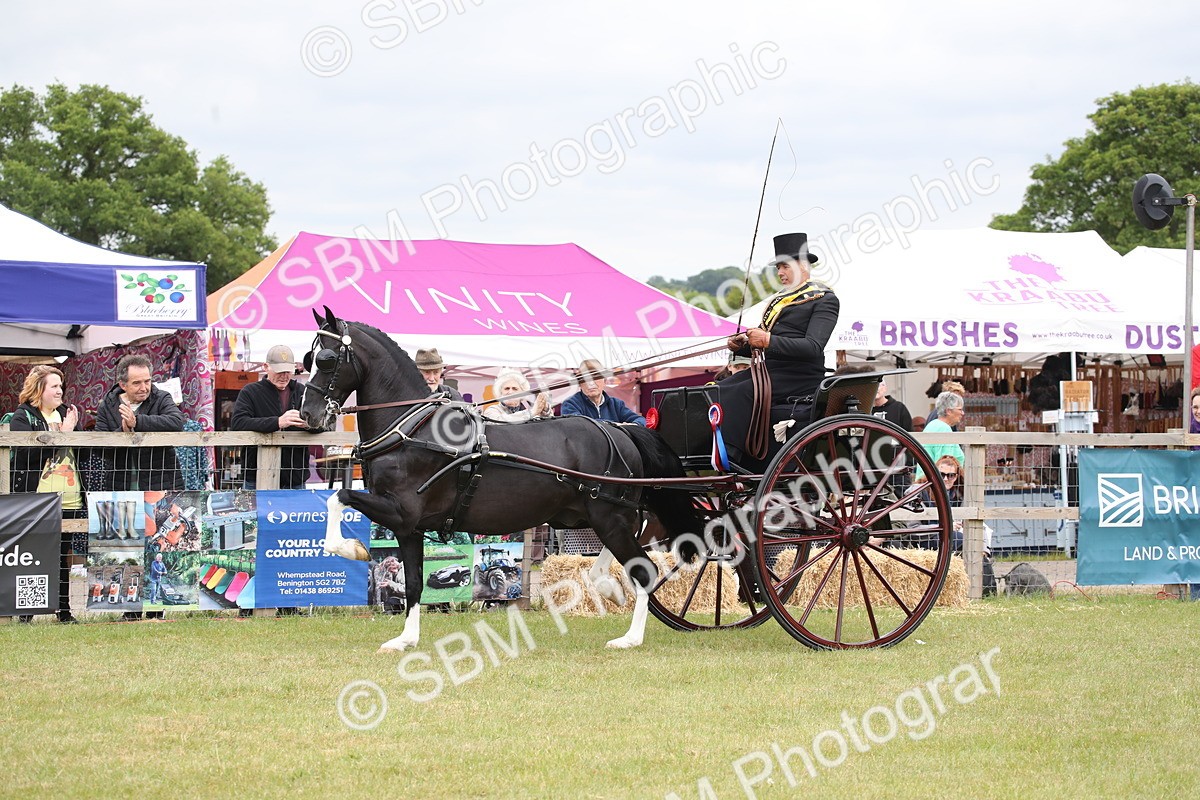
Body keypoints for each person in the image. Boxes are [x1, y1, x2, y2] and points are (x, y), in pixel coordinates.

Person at [720, 232, 840, 464]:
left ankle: (732, 455)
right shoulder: (781, 300)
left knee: (738, 392)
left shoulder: (824, 299)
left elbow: (813, 347)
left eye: (784, 267)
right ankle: (717, 450)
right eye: (778, 268)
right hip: (771, 372)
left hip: (801, 376)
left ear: (803, 265)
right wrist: (742, 346)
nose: (780, 273)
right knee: (720, 387)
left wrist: (767, 340)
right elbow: (765, 343)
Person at [9, 365, 82, 624]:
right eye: (54, 386)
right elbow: (28, 455)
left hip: (70, 497)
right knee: (34, 554)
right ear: (39, 389)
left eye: (61, 386)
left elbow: (80, 452)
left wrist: (72, 433)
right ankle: (26, 611)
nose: (60, 391)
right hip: (38, 499)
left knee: (64, 557)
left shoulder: (67, 414)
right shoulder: (23, 416)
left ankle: (64, 610)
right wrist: (62, 435)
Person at [95, 354, 184, 491]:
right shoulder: (107, 405)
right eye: (137, 383)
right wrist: (123, 433)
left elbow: (177, 422)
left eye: (147, 381)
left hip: (160, 483)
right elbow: (99, 449)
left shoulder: (161, 398)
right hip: (121, 483)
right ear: (123, 385)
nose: (144, 388)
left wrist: (137, 421)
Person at [231, 344, 314, 489]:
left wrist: (310, 424)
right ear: (266, 367)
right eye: (279, 371)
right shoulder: (250, 392)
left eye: (288, 371)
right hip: (257, 475)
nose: (284, 376)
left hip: (295, 477)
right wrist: (277, 422)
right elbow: (238, 423)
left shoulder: (303, 392)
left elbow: (324, 424)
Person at [560, 359, 645, 425]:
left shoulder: (616, 404)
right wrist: (615, 425)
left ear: (604, 380)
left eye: (595, 378)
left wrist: (633, 425)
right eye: (585, 379)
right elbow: (580, 425)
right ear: (580, 384)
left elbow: (640, 420)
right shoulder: (570, 404)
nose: (591, 383)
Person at [919, 391, 966, 479]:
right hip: (937, 486)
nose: (962, 413)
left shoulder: (932, 425)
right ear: (948, 411)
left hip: (926, 481)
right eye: (960, 409)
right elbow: (945, 466)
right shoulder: (943, 429)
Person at [483, 368, 553, 423]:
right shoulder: (492, 410)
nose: (510, 392)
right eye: (506, 388)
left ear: (522, 393)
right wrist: (531, 413)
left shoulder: (530, 410)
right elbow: (500, 422)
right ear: (500, 392)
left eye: (515, 389)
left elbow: (548, 425)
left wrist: (544, 408)